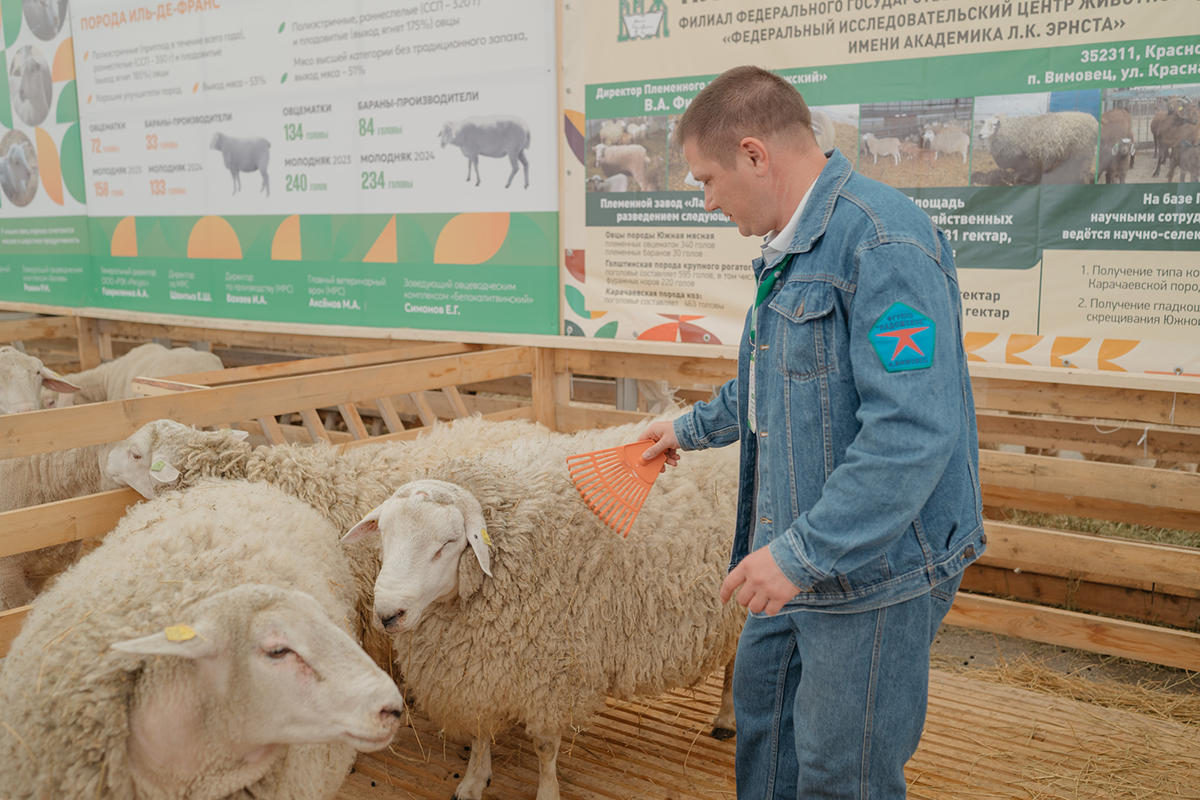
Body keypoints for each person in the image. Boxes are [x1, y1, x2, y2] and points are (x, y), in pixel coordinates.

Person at [641, 65, 985, 799]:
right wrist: (687, 428)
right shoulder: (794, 249)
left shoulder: (882, 242)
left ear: (755, 155)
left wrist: (800, 554)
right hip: (797, 552)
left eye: (706, 178)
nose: (705, 200)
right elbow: (780, 379)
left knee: (842, 776)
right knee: (765, 744)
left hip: (870, 569)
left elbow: (914, 431)